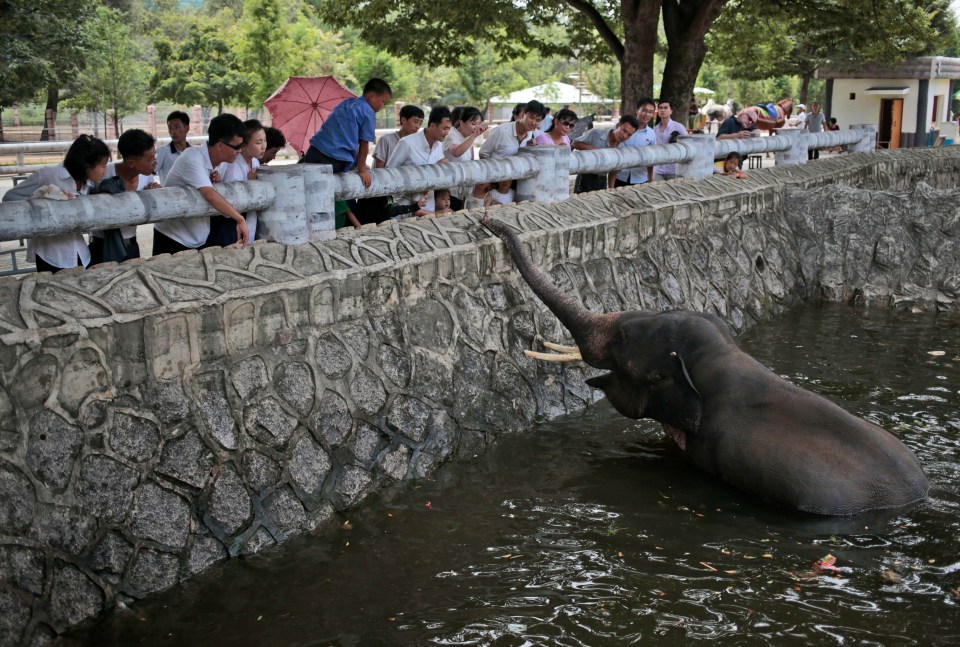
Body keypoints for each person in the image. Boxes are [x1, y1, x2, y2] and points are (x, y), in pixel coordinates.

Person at [3, 134, 110, 273]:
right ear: (86, 165)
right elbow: (10, 197)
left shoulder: (87, 183)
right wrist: (41, 201)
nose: (105, 171)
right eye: (103, 165)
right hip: (50, 256)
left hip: (81, 253)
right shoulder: (48, 175)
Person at [154, 113, 249, 255]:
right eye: (237, 147)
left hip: (200, 235)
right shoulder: (192, 157)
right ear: (220, 146)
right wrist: (239, 219)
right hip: (172, 236)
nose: (240, 151)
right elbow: (210, 194)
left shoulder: (221, 163)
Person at [302, 77, 392, 189]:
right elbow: (364, 144)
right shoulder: (368, 112)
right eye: (383, 101)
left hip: (313, 151)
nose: (382, 106)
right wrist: (362, 170)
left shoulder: (346, 103)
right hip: (334, 160)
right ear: (372, 96)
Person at [89, 129, 160, 265]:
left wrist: (152, 194)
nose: (155, 162)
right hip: (102, 245)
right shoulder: (102, 174)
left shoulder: (148, 179)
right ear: (132, 163)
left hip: (131, 244)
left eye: (154, 157)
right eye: (150, 159)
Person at [386, 105, 452, 216]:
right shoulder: (407, 143)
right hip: (403, 207)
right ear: (432, 125)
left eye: (449, 129)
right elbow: (389, 172)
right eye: (445, 128)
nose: (447, 133)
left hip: (428, 206)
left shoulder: (439, 145)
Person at [211, 119, 266, 245]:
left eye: (264, 140)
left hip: (249, 220)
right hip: (230, 224)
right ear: (244, 144)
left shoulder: (255, 162)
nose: (264, 146)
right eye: (258, 142)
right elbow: (230, 199)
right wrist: (250, 184)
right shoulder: (233, 165)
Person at [571, 115, 640, 193]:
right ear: (618, 125)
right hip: (585, 178)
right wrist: (598, 151)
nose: (625, 136)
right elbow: (574, 143)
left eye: (629, 135)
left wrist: (611, 190)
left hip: (602, 180)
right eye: (624, 131)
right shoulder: (595, 133)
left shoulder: (622, 149)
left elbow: (614, 171)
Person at [444, 106, 488, 210]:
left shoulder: (468, 137)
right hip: (450, 192)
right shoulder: (451, 135)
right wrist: (474, 136)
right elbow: (456, 152)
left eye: (479, 123)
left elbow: (471, 161)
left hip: (465, 188)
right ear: (462, 123)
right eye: (473, 124)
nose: (477, 127)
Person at [479, 100, 546, 160]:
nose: (533, 123)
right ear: (523, 115)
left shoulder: (530, 135)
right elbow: (483, 153)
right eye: (531, 117)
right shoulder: (501, 131)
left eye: (538, 120)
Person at [615, 98, 657, 187]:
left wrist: (650, 178)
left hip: (640, 178)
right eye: (644, 110)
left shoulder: (651, 133)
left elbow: (651, 158)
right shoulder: (623, 128)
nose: (647, 114)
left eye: (650, 112)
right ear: (637, 110)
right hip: (619, 176)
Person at [652, 99, 688, 181]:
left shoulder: (678, 127)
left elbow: (687, 144)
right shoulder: (655, 129)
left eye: (665, 108)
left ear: (671, 111)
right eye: (660, 108)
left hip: (674, 169)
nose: (662, 110)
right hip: (658, 169)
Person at [156, 111, 190, 184]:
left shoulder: (195, 152)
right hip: (170, 194)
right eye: (170, 128)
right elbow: (148, 173)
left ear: (187, 128)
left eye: (177, 127)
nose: (173, 131)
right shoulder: (162, 152)